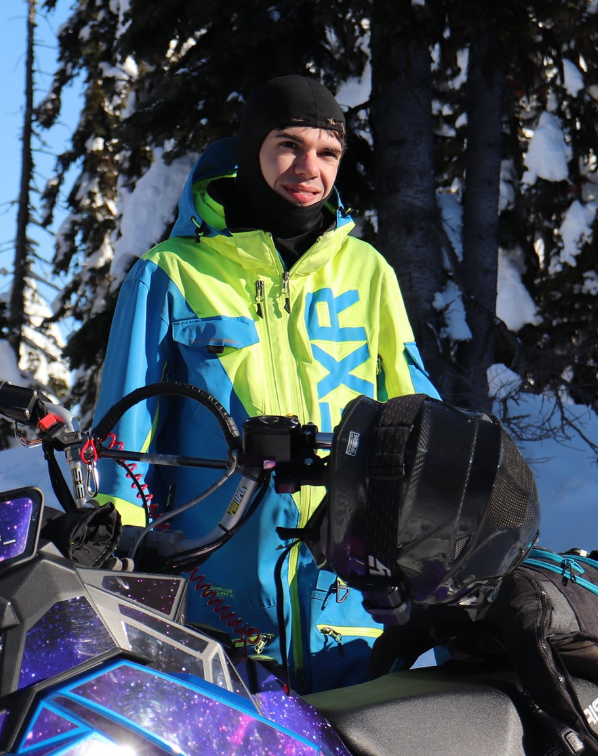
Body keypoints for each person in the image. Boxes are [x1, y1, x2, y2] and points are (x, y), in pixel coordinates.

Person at [91, 75, 441, 694]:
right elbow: (124, 437)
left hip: (352, 598)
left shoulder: (368, 272)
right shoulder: (170, 273)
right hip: (216, 597)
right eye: (288, 145)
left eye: (327, 152)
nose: (309, 168)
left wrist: (427, 537)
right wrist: (122, 560)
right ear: (253, 148)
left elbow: (417, 415)